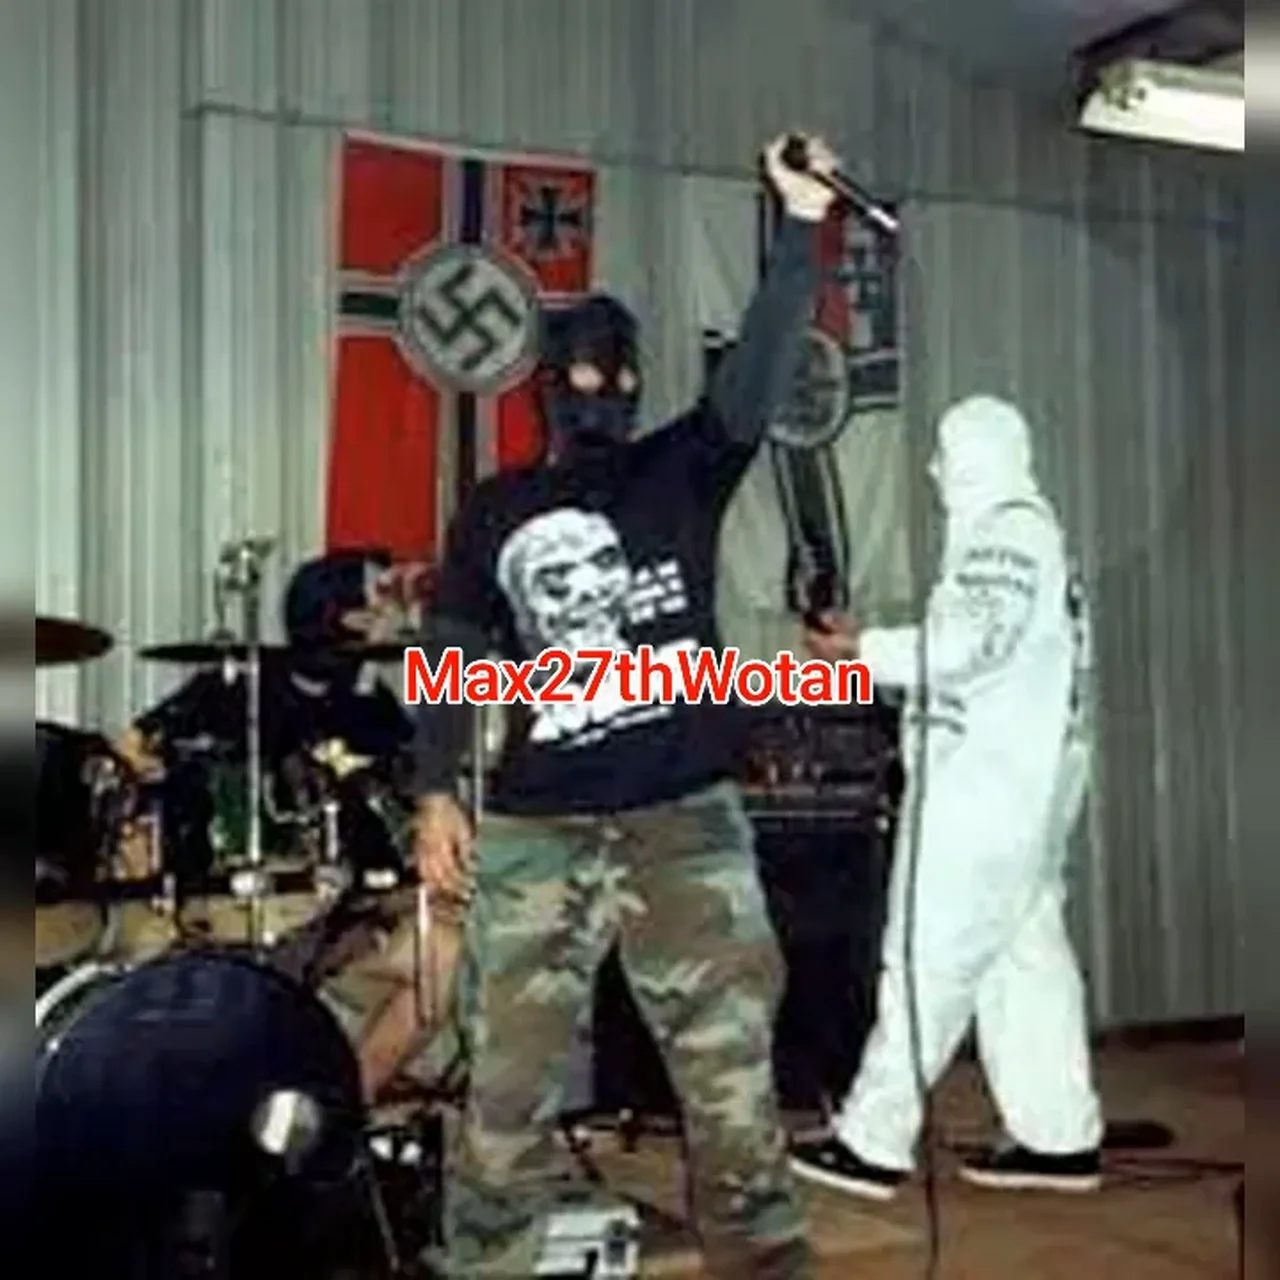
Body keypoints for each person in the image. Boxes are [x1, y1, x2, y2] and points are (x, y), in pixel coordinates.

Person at [409, 133, 836, 1279]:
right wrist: (434, 788)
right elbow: (449, 648)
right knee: (504, 1080)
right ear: (547, 385)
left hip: (680, 812)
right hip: (539, 820)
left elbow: (755, 372)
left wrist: (800, 225)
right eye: (582, 373)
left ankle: (765, 1264)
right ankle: (485, 1263)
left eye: (619, 370)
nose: (602, 386)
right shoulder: (494, 509)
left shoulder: (679, 467)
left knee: (730, 1080)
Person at [789, 395, 1104, 1200]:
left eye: (945, 454)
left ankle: (873, 1141)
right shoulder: (1034, 537)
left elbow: (971, 645)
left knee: (926, 955)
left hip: (984, 791)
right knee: (1023, 957)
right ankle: (1059, 1136)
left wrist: (863, 649)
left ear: (976, 459)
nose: (934, 471)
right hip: (1028, 785)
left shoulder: (1005, 538)